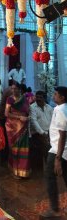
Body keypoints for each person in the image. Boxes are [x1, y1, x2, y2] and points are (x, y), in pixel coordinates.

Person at [41, 86, 67, 218]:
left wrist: (57, 158)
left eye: (56, 94)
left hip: (58, 150)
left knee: (49, 177)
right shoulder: (62, 108)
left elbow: (63, 135)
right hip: (61, 149)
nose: (53, 95)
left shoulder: (61, 110)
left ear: (62, 97)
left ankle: (54, 209)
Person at [5, 82, 30, 178]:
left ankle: (23, 170)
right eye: (12, 88)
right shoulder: (9, 99)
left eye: (15, 88)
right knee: (14, 149)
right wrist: (19, 117)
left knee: (24, 149)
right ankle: (15, 171)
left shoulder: (25, 99)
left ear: (20, 89)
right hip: (12, 127)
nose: (13, 90)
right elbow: (6, 114)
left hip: (23, 126)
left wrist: (27, 118)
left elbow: (28, 112)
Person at [30, 91, 53, 162]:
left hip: (48, 133)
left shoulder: (49, 107)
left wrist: (50, 133)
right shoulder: (32, 107)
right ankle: (43, 168)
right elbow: (34, 122)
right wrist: (43, 133)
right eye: (37, 97)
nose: (38, 99)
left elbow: (53, 121)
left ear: (45, 98)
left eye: (40, 97)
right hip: (37, 134)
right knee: (45, 149)